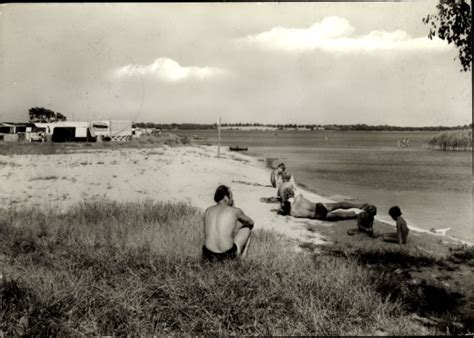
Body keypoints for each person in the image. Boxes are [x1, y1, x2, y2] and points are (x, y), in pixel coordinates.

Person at [202, 185, 254, 262]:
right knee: (247, 229)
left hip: (207, 253)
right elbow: (251, 223)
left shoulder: (208, 211)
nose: (232, 199)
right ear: (226, 198)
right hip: (227, 254)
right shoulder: (235, 211)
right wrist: (234, 209)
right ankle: (243, 259)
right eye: (231, 197)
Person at [279, 189, 374, 222]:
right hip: (319, 206)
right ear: (289, 202)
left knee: (340, 215)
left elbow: (284, 211)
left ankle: (356, 215)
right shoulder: (298, 199)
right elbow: (298, 194)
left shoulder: (293, 213)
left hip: (318, 216)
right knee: (339, 204)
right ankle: (359, 206)